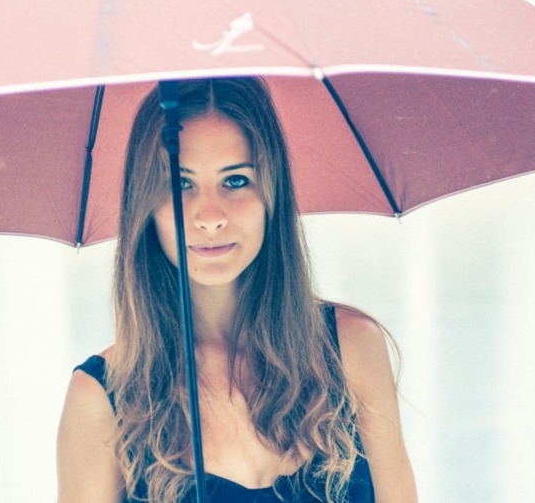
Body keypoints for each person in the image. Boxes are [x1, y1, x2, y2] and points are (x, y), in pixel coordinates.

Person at [57, 78, 418, 503]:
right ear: (146, 205)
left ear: (271, 192)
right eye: (180, 184)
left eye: (235, 181)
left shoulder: (350, 349)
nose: (210, 217)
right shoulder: (102, 399)